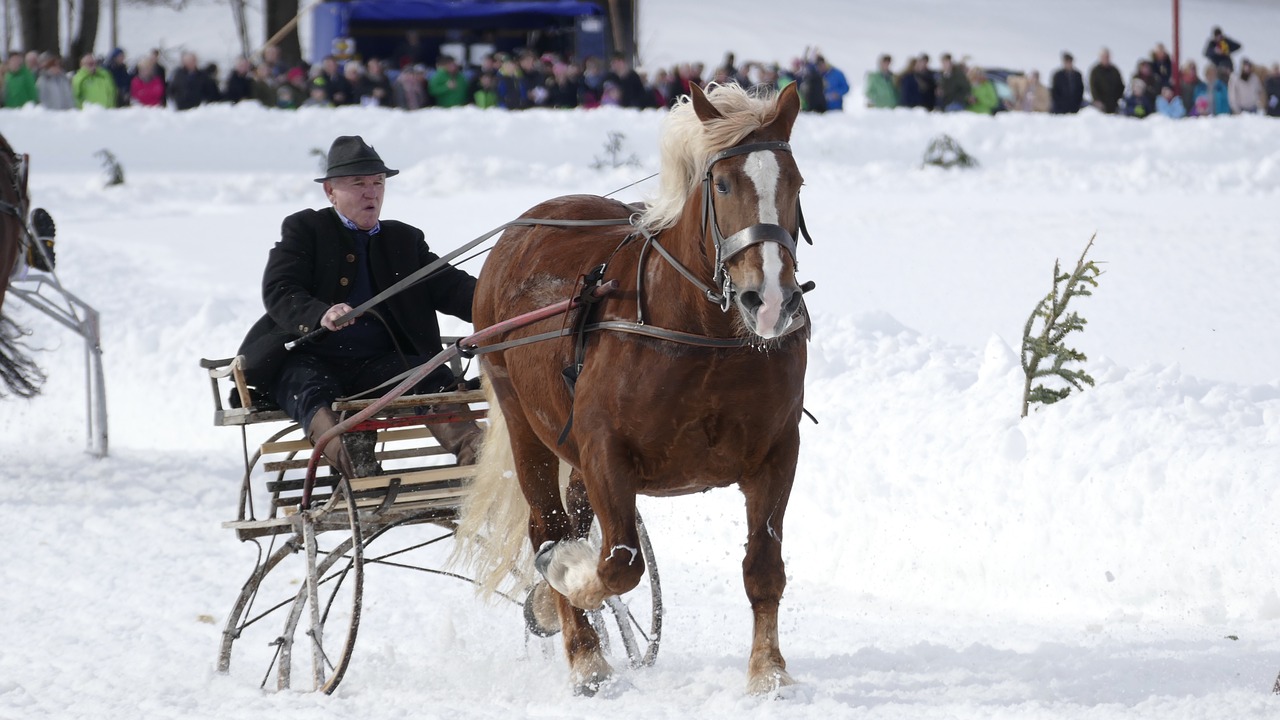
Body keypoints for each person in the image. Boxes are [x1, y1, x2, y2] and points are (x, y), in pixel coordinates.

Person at [236, 136, 482, 478]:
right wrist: (320, 313)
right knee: (311, 390)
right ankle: (358, 468)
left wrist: (499, 303)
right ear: (330, 192)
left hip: (378, 364)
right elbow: (280, 289)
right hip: (307, 358)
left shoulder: (404, 240)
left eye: (378, 183)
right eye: (358, 184)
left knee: (428, 373)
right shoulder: (306, 230)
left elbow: (453, 287)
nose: (372, 193)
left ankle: (477, 455)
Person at [1088, 48, 1124, 113]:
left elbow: (1120, 86)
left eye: (1107, 57)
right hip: (1100, 104)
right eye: (1104, 57)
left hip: (1113, 103)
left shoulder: (1115, 70)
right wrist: (1097, 99)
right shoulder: (1095, 71)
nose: (1106, 59)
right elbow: (1093, 87)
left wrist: (1117, 98)